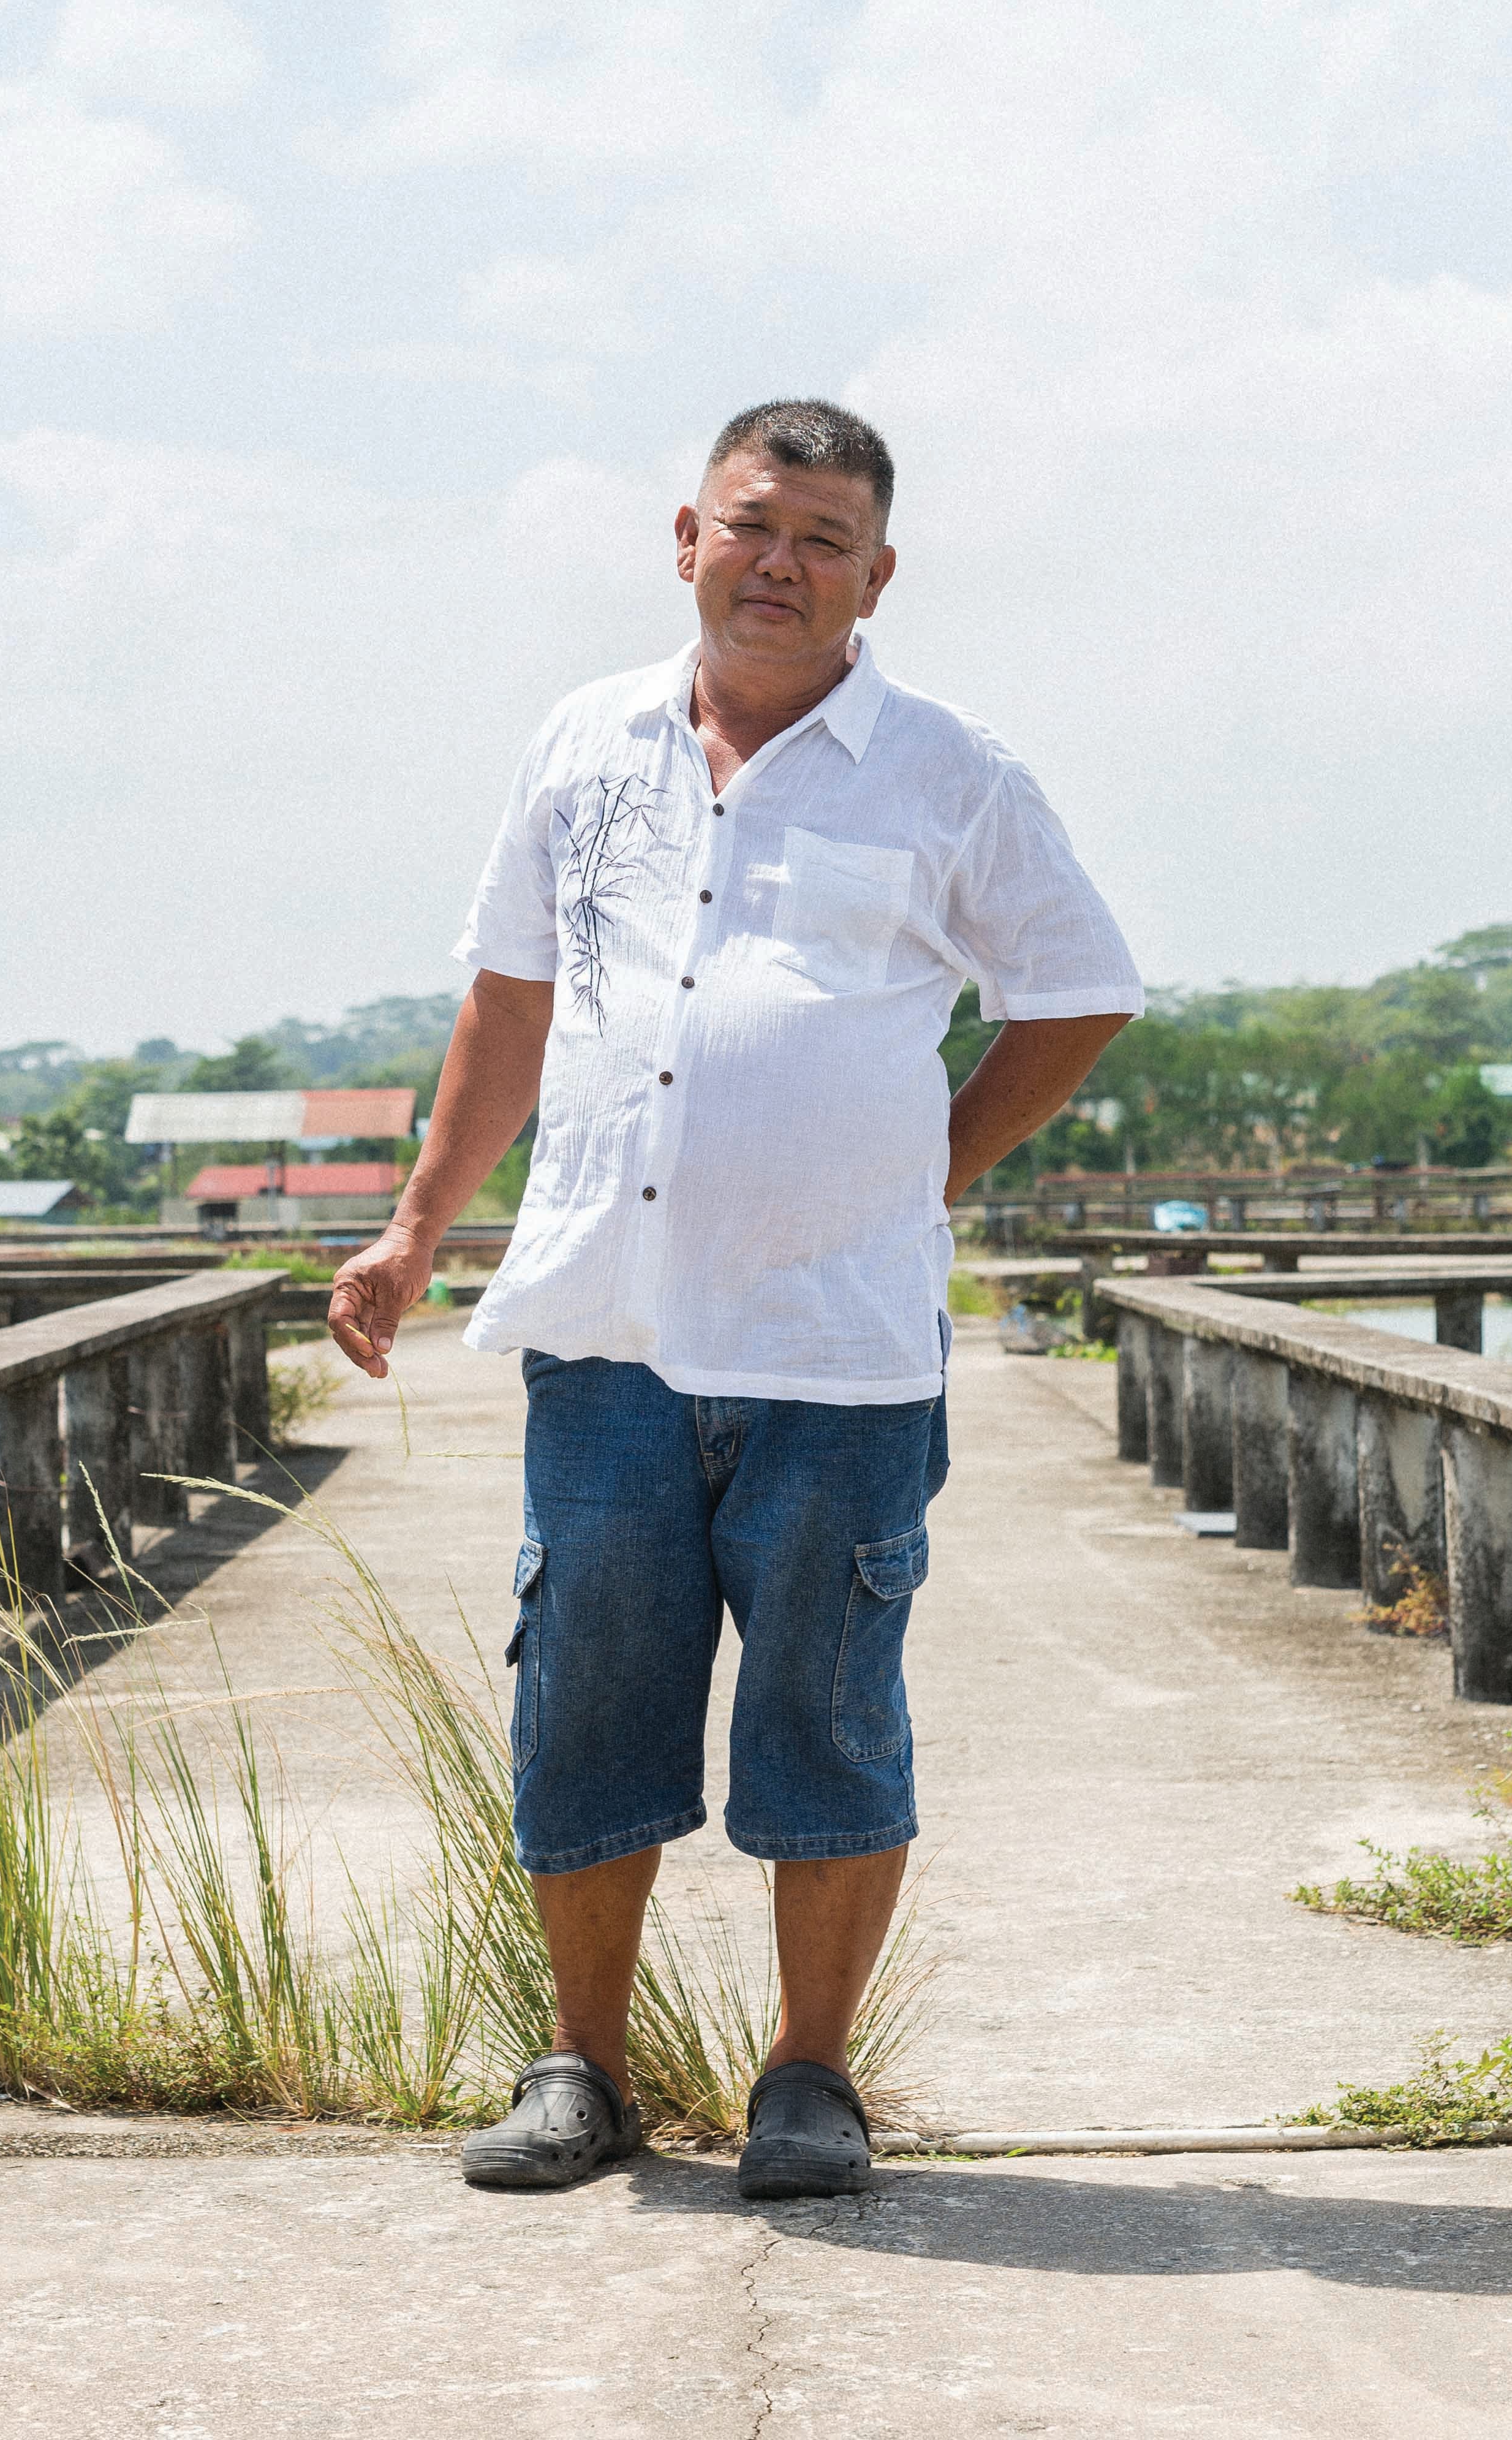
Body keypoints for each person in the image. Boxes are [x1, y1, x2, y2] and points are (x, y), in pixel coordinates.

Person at [325, 398, 1137, 2199]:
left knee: (828, 1712)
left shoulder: (950, 772)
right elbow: (510, 1005)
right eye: (754, 526)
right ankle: (582, 2073)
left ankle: (810, 2080)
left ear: (878, 573)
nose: (783, 563)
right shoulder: (582, 742)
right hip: (604, 1328)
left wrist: (917, 1168)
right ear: (685, 535)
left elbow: (1075, 992)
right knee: (585, 1701)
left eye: (825, 539)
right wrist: (411, 1233)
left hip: (836, 1353)